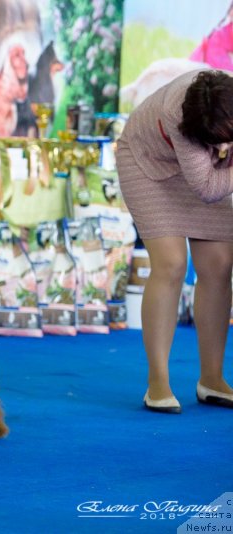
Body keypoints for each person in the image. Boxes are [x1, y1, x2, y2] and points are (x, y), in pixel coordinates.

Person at [116, 68, 233, 414]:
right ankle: (158, 383)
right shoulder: (179, 110)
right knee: (171, 264)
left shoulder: (225, 104)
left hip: (211, 168)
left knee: (219, 264)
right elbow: (209, 188)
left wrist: (221, 149)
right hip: (148, 166)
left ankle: (212, 379)